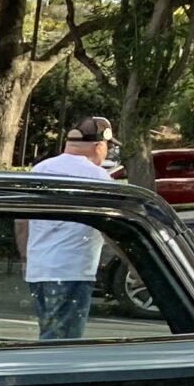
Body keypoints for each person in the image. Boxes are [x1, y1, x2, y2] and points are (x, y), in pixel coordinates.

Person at [24, 115, 115, 340]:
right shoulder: (97, 177)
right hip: (72, 270)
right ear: (99, 145)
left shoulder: (40, 170)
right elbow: (111, 227)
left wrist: (26, 258)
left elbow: (21, 221)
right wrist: (134, 264)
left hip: (39, 270)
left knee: (50, 333)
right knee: (61, 345)